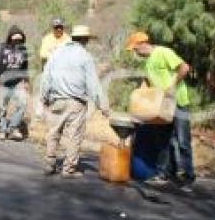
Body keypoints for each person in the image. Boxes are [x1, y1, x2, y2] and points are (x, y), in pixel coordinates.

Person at [126, 31, 195, 188]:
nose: (135, 53)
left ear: (142, 44)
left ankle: (188, 177)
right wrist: (140, 95)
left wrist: (171, 86)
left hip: (178, 102)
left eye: (135, 49)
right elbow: (148, 82)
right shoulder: (148, 62)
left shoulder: (163, 52)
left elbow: (184, 68)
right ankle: (164, 174)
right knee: (164, 140)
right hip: (161, 106)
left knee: (183, 141)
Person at [40, 25, 110, 178]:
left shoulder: (56, 53)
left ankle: (50, 163)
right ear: (85, 40)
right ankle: (68, 169)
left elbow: (46, 77)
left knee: (54, 132)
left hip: (56, 100)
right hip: (75, 102)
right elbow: (93, 84)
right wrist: (103, 106)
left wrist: (44, 97)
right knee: (74, 135)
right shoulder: (85, 56)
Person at [0, 25, 29, 141]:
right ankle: (1, 130)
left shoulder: (23, 50)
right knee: (3, 108)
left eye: (19, 39)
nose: (17, 41)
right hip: (3, 82)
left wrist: (26, 81)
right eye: (15, 38)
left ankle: (13, 128)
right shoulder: (1, 48)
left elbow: (25, 67)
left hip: (17, 83)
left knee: (22, 104)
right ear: (10, 38)